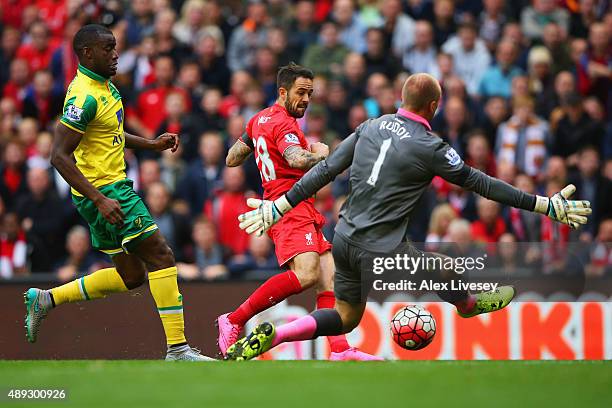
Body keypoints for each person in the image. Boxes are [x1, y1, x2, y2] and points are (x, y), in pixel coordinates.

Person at [229, 73, 592, 360]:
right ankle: (467, 305)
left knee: (346, 316)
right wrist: (543, 204)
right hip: (380, 248)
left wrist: (278, 205)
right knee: (441, 268)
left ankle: (278, 334)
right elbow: (481, 183)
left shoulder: (371, 126)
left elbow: (326, 170)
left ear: (402, 99)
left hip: (344, 238)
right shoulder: (430, 146)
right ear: (433, 105)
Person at [23, 25, 212, 361]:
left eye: (115, 47)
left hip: (102, 193)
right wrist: (99, 198)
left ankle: (46, 299)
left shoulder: (104, 86)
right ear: (87, 53)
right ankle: (179, 349)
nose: (115, 54)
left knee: (132, 276)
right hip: (106, 191)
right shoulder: (84, 95)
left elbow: (109, 133)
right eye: (108, 48)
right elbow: (58, 156)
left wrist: (151, 144)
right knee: (162, 255)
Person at [220, 62, 380, 361]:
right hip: (289, 206)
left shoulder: (258, 120)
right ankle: (234, 318)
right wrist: (320, 153)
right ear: (283, 92)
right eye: (301, 92)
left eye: (310, 93)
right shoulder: (284, 123)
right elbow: (296, 159)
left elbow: (232, 158)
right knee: (306, 275)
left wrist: (259, 144)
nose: (306, 99)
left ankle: (341, 350)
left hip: (296, 206)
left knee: (328, 280)